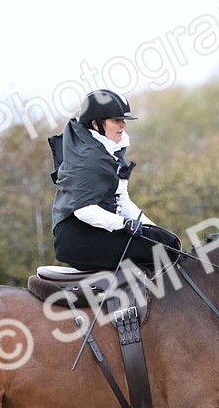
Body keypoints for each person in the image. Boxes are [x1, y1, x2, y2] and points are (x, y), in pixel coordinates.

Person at [49, 89, 182, 271]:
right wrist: (123, 223)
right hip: (78, 237)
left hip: (98, 230)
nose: (123, 125)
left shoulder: (110, 152)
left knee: (168, 242)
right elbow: (83, 210)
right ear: (95, 124)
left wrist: (151, 228)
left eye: (123, 120)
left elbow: (122, 200)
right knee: (163, 249)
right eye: (116, 120)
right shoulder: (88, 160)